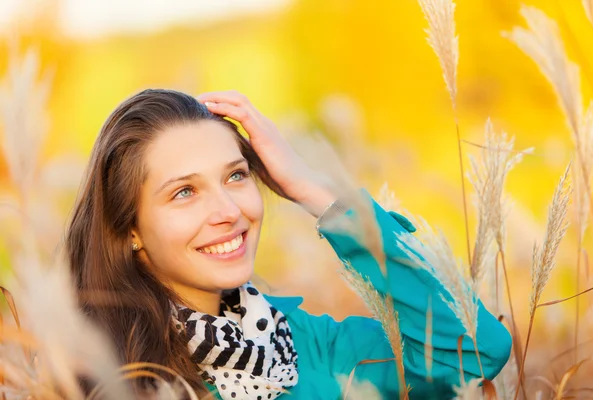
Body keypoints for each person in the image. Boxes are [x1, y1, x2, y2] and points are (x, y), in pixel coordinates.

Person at [65, 88, 512, 400]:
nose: (228, 210)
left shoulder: (305, 346)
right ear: (131, 230)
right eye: (185, 192)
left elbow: (473, 352)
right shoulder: (101, 377)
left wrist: (312, 188)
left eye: (236, 176)